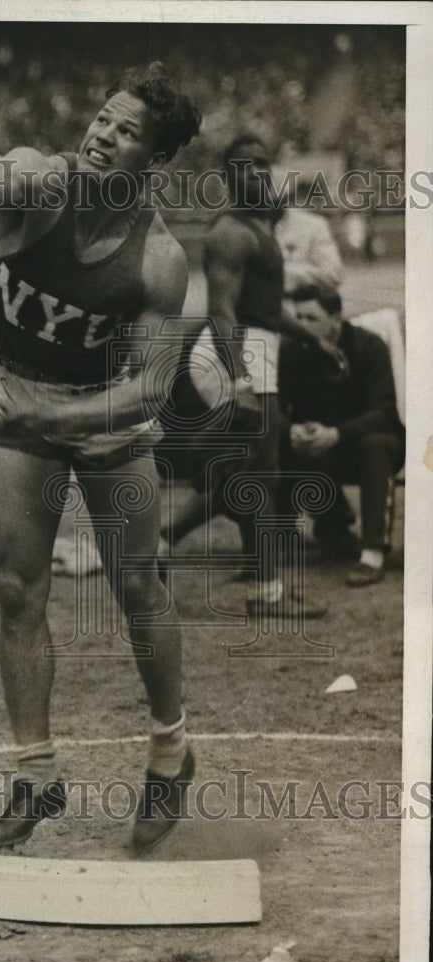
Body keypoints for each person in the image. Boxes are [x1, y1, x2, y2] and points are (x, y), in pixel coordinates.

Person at [0, 62, 202, 852]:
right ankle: (34, 775)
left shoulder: (160, 259)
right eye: (102, 120)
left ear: (152, 160)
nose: (102, 136)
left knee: (137, 586)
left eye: (125, 133)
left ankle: (169, 752)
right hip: (17, 394)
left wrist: (55, 413)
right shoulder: (42, 183)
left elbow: (148, 391)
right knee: (19, 590)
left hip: (108, 414)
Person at [186, 135, 347, 617]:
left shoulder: (259, 225)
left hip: (257, 346)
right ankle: (265, 591)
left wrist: (312, 338)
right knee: (262, 470)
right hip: (235, 352)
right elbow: (222, 311)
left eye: (261, 164)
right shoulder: (230, 233)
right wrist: (240, 380)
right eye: (243, 166)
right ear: (226, 178)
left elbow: (267, 309)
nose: (255, 172)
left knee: (261, 469)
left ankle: (258, 577)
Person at [278, 283, 405, 586]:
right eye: (298, 319)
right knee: (278, 438)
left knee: (375, 444)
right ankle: (329, 531)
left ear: (336, 318)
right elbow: (277, 404)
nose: (302, 326)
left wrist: (338, 433)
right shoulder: (293, 348)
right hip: (319, 443)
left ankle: (373, 552)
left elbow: (385, 411)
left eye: (311, 318)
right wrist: (292, 429)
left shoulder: (368, 345)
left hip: (366, 441)